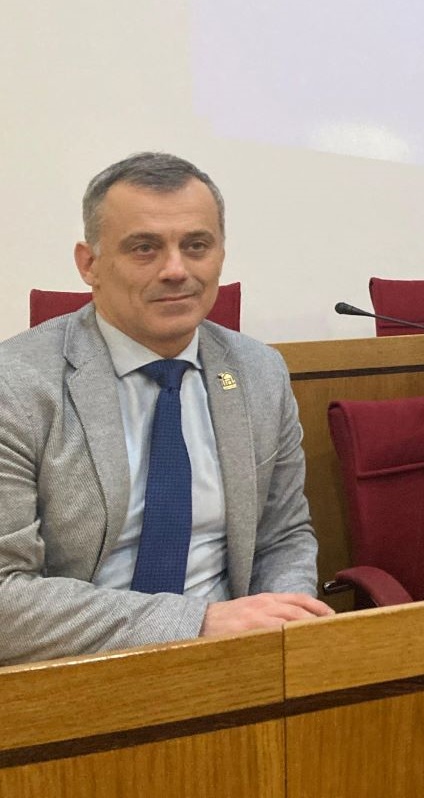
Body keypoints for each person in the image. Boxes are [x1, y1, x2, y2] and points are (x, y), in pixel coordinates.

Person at [0, 153, 330, 666]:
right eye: (144, 248)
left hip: (239, 660)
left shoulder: (259, 373)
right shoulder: (15, 387)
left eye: (196, 246)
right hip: (73, 673)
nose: (176, 270)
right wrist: (197, 623)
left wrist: (283, 627)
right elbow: (6, 597)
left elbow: (282, 536)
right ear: (89, 264)